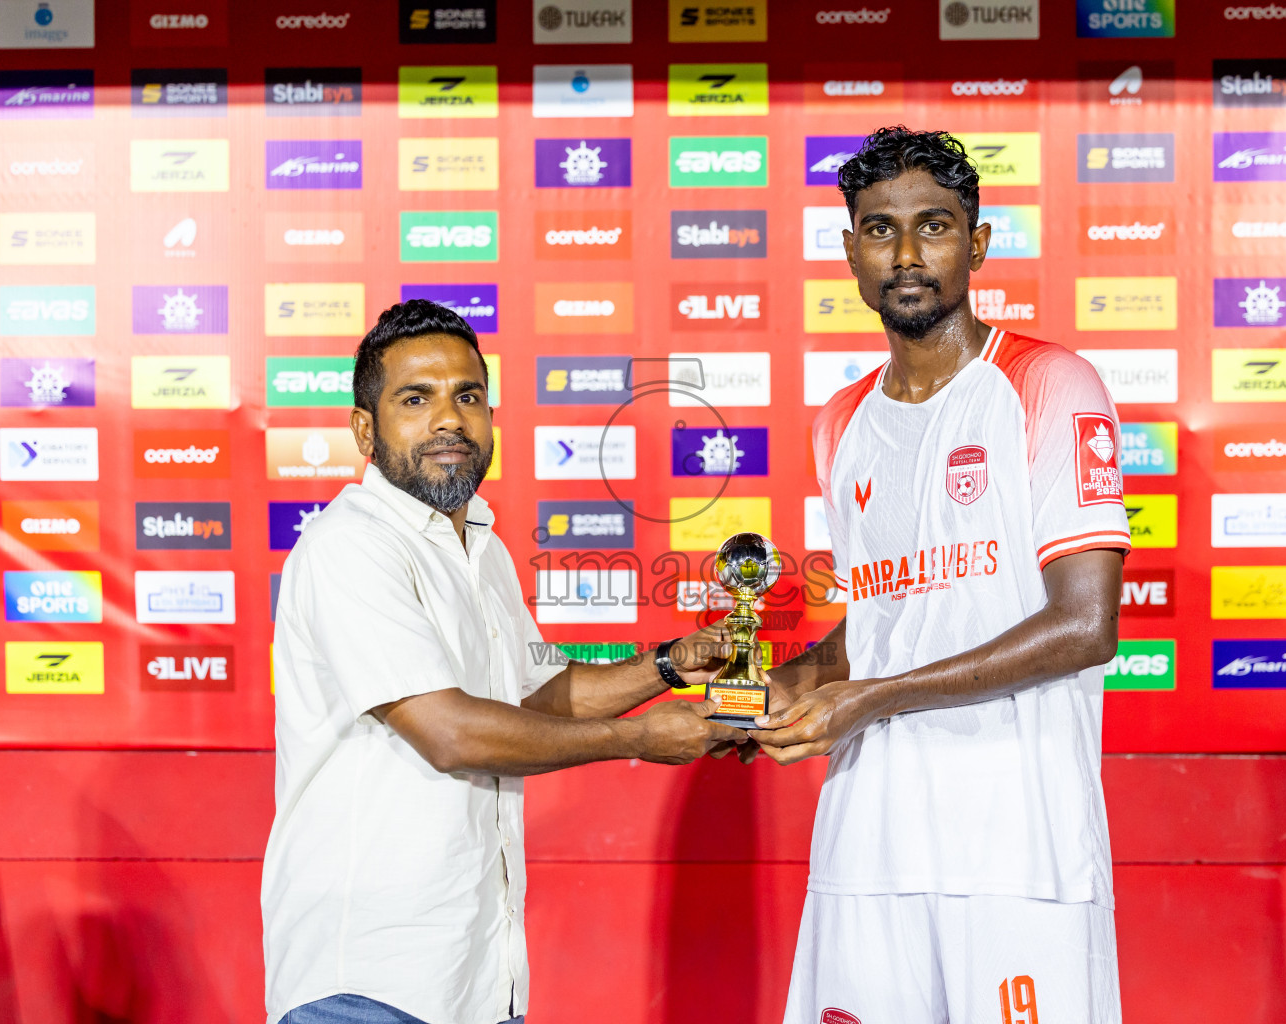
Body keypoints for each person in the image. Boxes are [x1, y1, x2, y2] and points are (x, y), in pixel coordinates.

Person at [262, 300, 745, 1024]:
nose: (449, 419)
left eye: (468, 396)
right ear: (365, 429)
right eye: (415, 399)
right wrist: (639, 740)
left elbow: (537, 695)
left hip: (475, 977)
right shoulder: (350, 545)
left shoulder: (478, 545)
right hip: (365, 981)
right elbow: (451, 732)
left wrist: (670, 665)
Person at [750, 127, 1131, 1023]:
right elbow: (889, 611)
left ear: (978, 242)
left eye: (935, 226)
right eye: (880, 231)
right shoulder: (838, 422)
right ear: (849, 251)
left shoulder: (1049, 383)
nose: (908, 255)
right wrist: (790, 684)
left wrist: (873, 698)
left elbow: (1085, 624)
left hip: (1016, 848)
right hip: (868, 840)